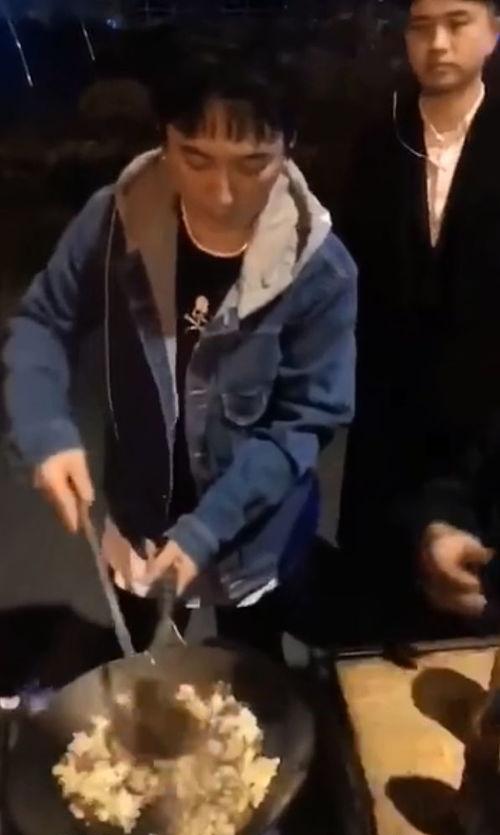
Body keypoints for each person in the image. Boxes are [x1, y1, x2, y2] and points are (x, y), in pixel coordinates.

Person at [3, 28, 356, 660]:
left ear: (289, 144)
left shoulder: (321, 270)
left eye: (253, 164)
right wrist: (46, 429)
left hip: (252, 532)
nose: (222, 194)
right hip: (140, 516)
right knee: (139, 671)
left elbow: (304, 421)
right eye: (195, 158)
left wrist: (207, 529)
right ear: (163, 138)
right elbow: (42, 322)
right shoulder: (113, 222)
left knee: (250, 669)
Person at [337, 0, 500, 639]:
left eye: (457, 23)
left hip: (489, 405)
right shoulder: (377, 139)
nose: (438, 43)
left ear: (493, 31)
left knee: (474, 609)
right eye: (421, 27)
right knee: (382, 608)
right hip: (389, 405)